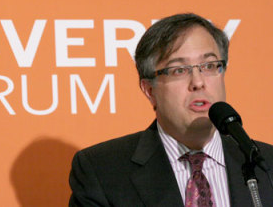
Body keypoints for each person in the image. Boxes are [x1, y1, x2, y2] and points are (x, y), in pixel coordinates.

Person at [69, 13, 273, 207]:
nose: (198, 82)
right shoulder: (103, 171)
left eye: (209, 66)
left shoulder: (265, 164)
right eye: (179, 70)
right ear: (149, 90)